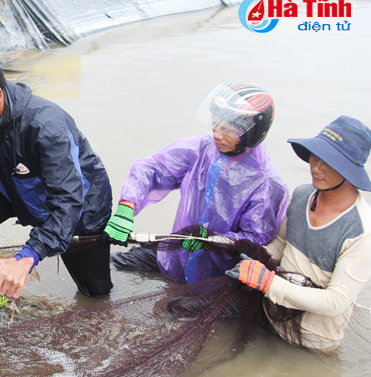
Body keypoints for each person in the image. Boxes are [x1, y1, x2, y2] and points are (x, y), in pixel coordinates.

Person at [0, 51, 113, 299]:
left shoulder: (46, 126)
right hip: (7, 185)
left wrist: (28, 255)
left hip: (79, 201)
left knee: (95, 291)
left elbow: (66, 201)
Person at [104, 82, 289, 284]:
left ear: (252, 133)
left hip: (219, 271)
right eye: (215, 124)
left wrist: (210, 240)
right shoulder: (202, 147)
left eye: (227, 129)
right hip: (175, 252)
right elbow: (152, 168)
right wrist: (127, 206)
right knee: (112, 264)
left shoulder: (267, 183)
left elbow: (255, 238)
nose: (217, 133)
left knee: (177, 310)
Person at [226, 115, 371, 353]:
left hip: (310, 339)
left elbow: (335, 302)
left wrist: (267, 282)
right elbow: (281, 244)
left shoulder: (362, 230)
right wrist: (255, 257)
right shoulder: (303, 195)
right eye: (315, 156)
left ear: (349, 170)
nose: (316, 167)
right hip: (270, 310)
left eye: (328, 162)